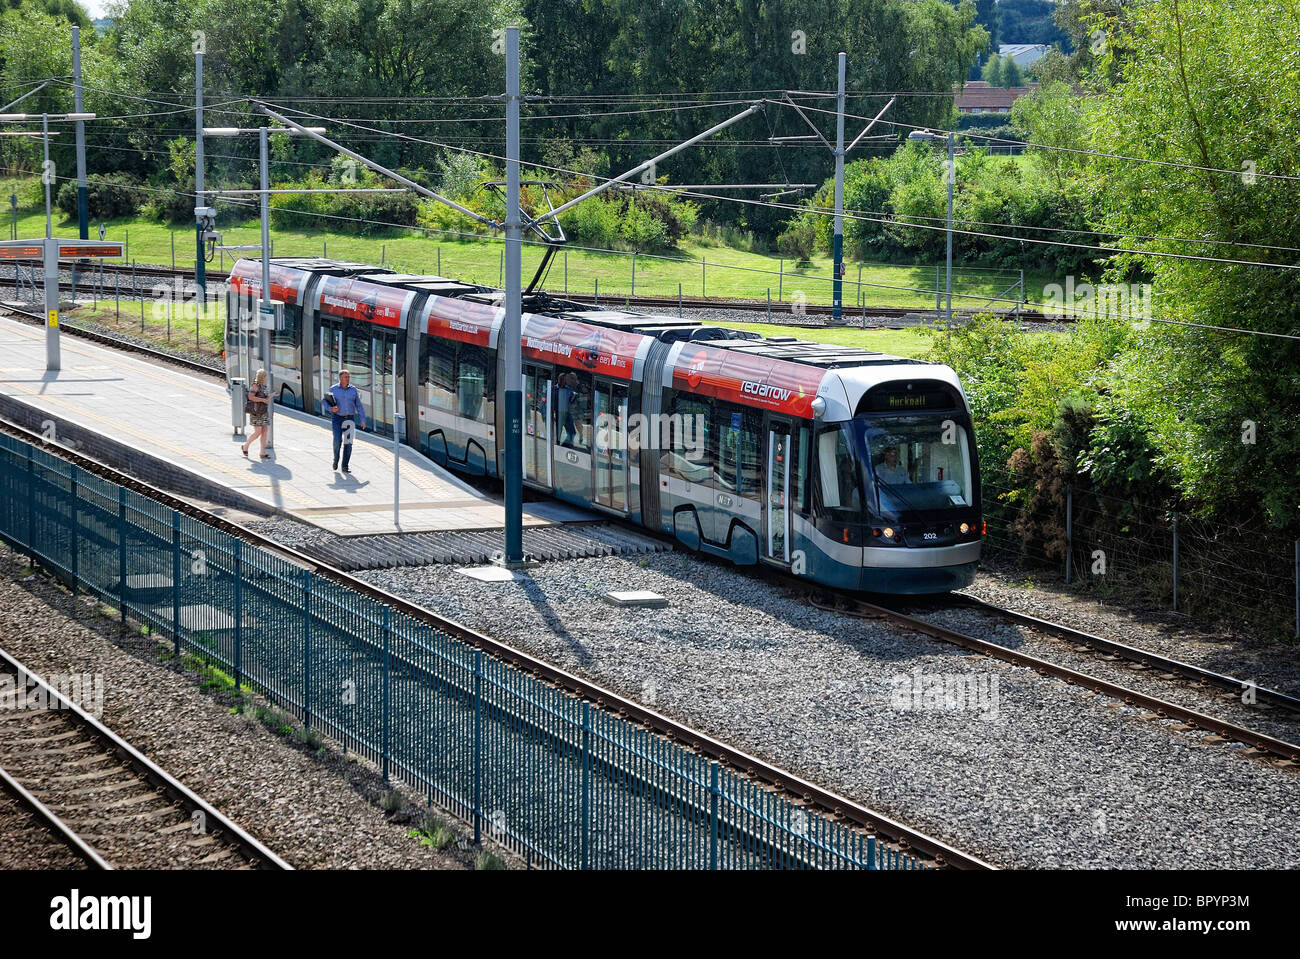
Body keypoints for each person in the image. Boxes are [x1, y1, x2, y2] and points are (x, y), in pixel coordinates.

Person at [328, 368, 367, 473]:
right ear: (340, 378)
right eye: (346, 377)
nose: (348, 379)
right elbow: (325, 402)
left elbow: (358, 405)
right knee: (337, 441)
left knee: (348, 443)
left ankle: (345, 466)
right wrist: (331, 408)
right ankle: (336, 459)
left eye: (349, 377)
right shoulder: (333, 389)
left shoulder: (353, 390)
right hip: (337, 419)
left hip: (349, 418)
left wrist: (363, 419)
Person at [240, 369, 271, 460]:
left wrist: (272, 395)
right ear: (262, 377)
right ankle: (245, 446)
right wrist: (263, 400)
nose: (266, 378)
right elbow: (251, 397)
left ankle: (262, 452)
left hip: (263, 411)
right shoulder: (255, 386)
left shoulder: (263, 386)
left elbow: (265, 397)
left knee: (265, 431)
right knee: (257, 432)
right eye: (265, 376)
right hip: (256, 412)